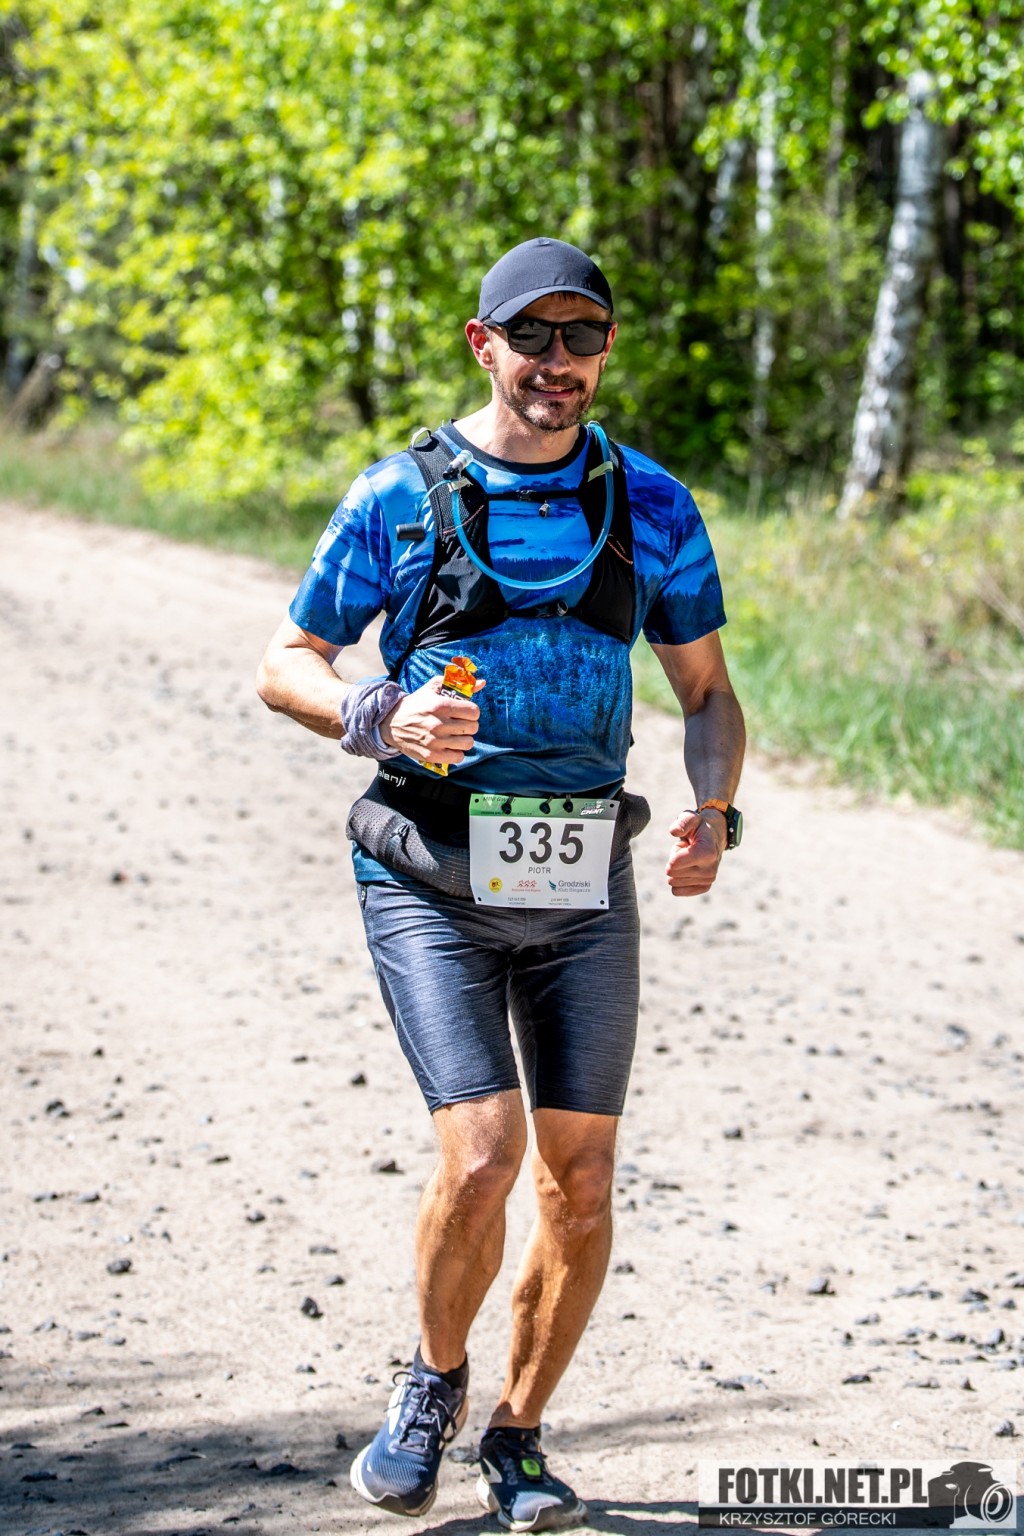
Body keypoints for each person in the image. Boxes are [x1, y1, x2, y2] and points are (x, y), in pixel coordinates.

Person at [256, 236, 745, 1532]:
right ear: (486, 345)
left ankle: (518, 1436)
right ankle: (433, 1384)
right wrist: (377, 713)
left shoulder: (651, 505)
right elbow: (284, 660)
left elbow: (708, 695)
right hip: (428, 869)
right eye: (532, 335)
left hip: (583, 879)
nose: (557, 361)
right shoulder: (400, 496)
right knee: (484, 1154)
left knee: (581, 1180)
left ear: (606, 351)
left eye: (582, 337)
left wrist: (715, 812)